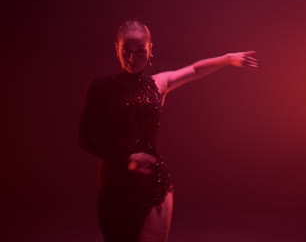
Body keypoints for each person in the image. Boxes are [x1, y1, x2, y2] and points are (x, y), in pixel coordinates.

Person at [79, 20, 258, 242]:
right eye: (126, 50)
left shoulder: (158, 84)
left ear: (150, 49)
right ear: (116, 48)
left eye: (140, 51)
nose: (133, 58)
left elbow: (194, 69)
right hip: (116, 178)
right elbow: (86, 137)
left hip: (154, 180)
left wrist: (227, 59)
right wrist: (126, 158)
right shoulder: (101, 88)